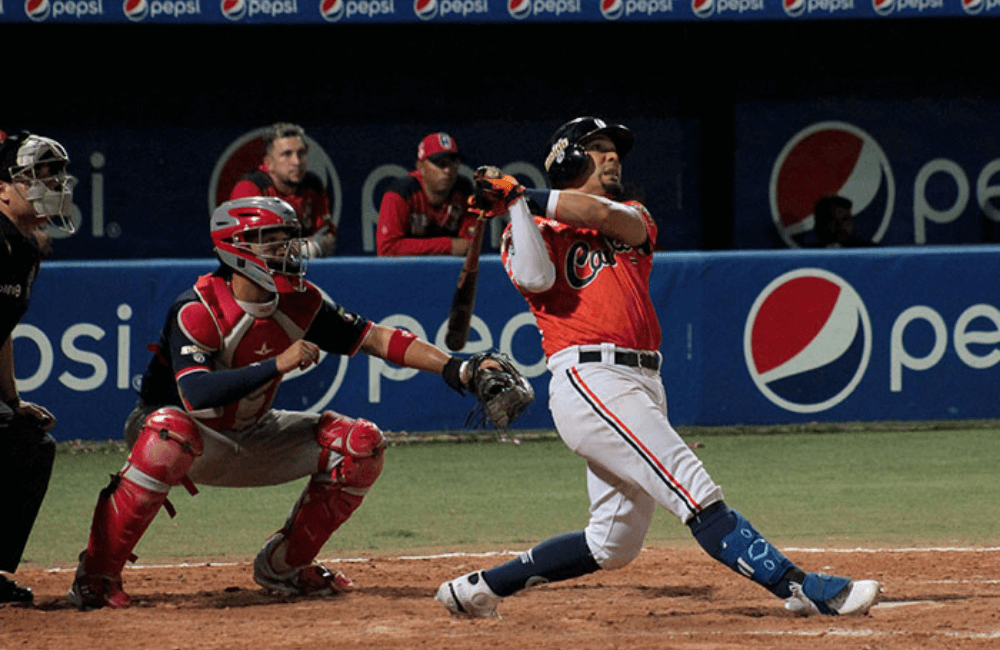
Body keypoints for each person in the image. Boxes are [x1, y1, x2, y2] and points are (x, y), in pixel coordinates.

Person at [435, 117, 881, 619]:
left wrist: (522, 193)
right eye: (598, 149)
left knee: (612, 544)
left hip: (644, 380)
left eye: (613, 150)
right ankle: (800, 588)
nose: (612, 158)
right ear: (568, 159)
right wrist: (517, 205)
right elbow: (537, 279)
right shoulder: (529, 228)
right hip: (590, 379)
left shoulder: (630, 214)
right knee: (692, 487)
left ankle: (479, 588)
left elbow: (606, 217)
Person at [67, 196, 510, 610]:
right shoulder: (198, 307)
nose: (288, 249)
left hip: (252, 434)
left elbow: (375, 337)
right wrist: (278, 363)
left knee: (361, 444)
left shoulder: (301, 302)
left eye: (288, 238)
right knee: (170, 431)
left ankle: (285, 567)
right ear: (236, 248)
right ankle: (98, 575)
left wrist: (459, 369)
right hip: (183, 433)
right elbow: (196, 394)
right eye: (273, 240)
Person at [0, 130, 74, 605]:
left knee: (29, 444)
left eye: (55, 175)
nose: (53, 185)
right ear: (3, 188)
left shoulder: (23, 250)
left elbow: (0, 331)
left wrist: (12, 401)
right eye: (38, 176)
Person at [229, 123, 337, 257]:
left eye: (301, 153)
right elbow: (251, 247)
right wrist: (307, 248)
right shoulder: (250, 189)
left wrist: (289, 248)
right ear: (268, 163)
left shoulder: (313, 186)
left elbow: (327, 239)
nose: (296, 162)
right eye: (287, 154)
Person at [376, 132, 477, 257]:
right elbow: (386, 249)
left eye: (453, 163)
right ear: (421, 167)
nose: (448, 170)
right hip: (405, 271)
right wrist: (448, 245)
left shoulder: (465, 191)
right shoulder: (401, 192)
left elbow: (470, 245)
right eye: (440, 163)